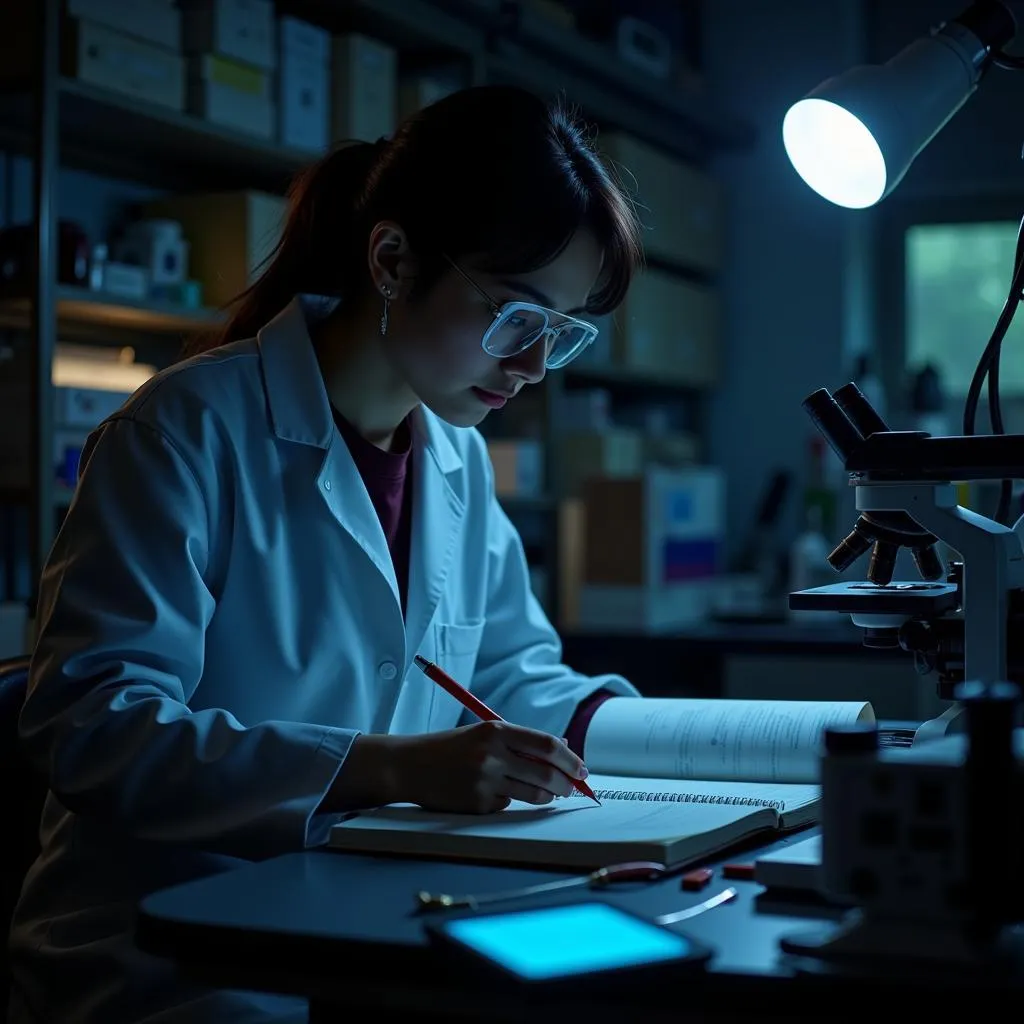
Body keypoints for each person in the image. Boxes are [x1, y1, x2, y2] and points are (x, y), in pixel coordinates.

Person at [8, 84, 646, 1024]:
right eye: (516, 316)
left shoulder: (459, 459)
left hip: (368, 919)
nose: (533, 367)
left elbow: (513, 671)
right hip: (166, 960)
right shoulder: (185, 432)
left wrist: (695, 739)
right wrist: (384, 769)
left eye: (561, 332)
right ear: (391, 260)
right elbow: (96, 729)